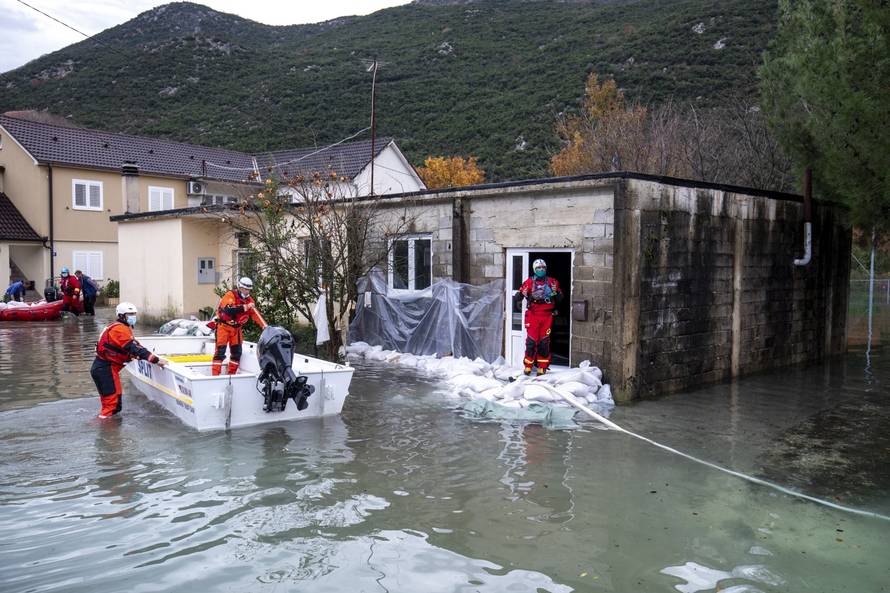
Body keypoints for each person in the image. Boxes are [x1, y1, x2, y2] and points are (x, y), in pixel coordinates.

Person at [91, 302, 167, 419]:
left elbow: (132, 347)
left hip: (104, 368)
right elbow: (134, 348)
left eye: (134, 314)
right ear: (122, 316)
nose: (133, 317)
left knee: (114, 405)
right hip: (105, 369)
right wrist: (156, 360)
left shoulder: (120, 328)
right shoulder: (119, 329)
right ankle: (106, 432)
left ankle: (109, 429)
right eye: (130, 314)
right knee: (112, 406)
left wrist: (138, 356)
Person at [514, 258, 563, 376]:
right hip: (533, 315)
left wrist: (556, 293)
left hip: (547, 315)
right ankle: (528, 366)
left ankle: (542, 366)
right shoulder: (529, 282)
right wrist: (522, 294)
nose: (541, 269)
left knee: (544, 342)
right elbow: (517, 298)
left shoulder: (553, 282)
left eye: (543, 268)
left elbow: (561, 299)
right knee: (531, 342)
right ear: (534, 269)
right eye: (538, 268)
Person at [212, 277, 267, 376]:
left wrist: (264, 326)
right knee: (220, 353)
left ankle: (231, 375)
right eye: (245, 289)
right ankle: (215, 376)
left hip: (236, 329)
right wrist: (245, 307)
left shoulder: (250, 301)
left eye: (249, 290)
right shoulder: (230, 295)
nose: (247, 292)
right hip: (224, 327)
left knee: (237, 353)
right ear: (240, 287)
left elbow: (255, 314)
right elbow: (228, 310)